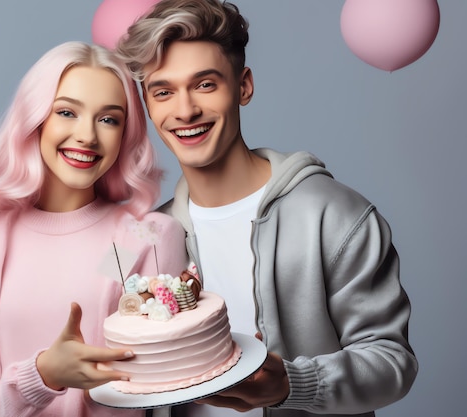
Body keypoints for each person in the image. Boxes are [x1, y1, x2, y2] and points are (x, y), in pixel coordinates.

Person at [115, 1, 418, 416]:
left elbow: (393, 362)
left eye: (205, 84)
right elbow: (93, 314)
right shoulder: (146, 232)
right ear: (148, 105)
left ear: (243, 86)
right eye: (163, 91)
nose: (185, 110)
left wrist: (293, 384)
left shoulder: (333, 215)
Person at [0, 41, 188, 417]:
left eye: (108, 119)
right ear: (36, 119)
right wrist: (43, 376)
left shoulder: (144, 236)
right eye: (67, 112)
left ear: (124, 134)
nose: (87, 135)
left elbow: (171, 390)